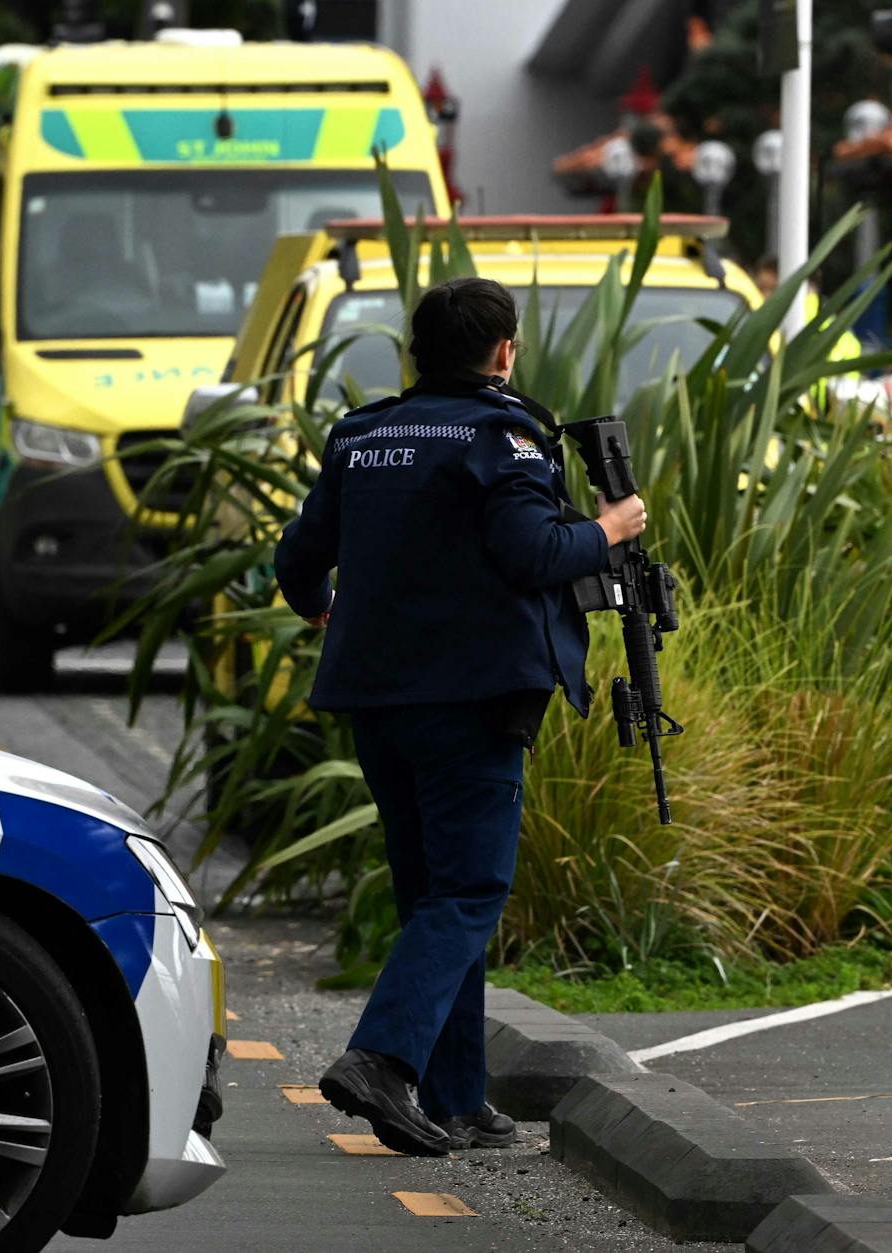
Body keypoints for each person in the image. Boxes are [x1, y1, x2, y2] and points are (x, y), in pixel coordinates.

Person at [274, 276, 647, 1153]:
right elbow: (532, 553)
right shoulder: (503, 435)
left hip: (374, 697)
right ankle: (381, 1059)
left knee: (432, 898)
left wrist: (318, 599)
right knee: (471, 890)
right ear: (504, 351)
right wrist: (610, 528)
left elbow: (300, 557)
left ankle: (454, 1099)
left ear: (416, 351)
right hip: (471, 700)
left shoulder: (361, 435)